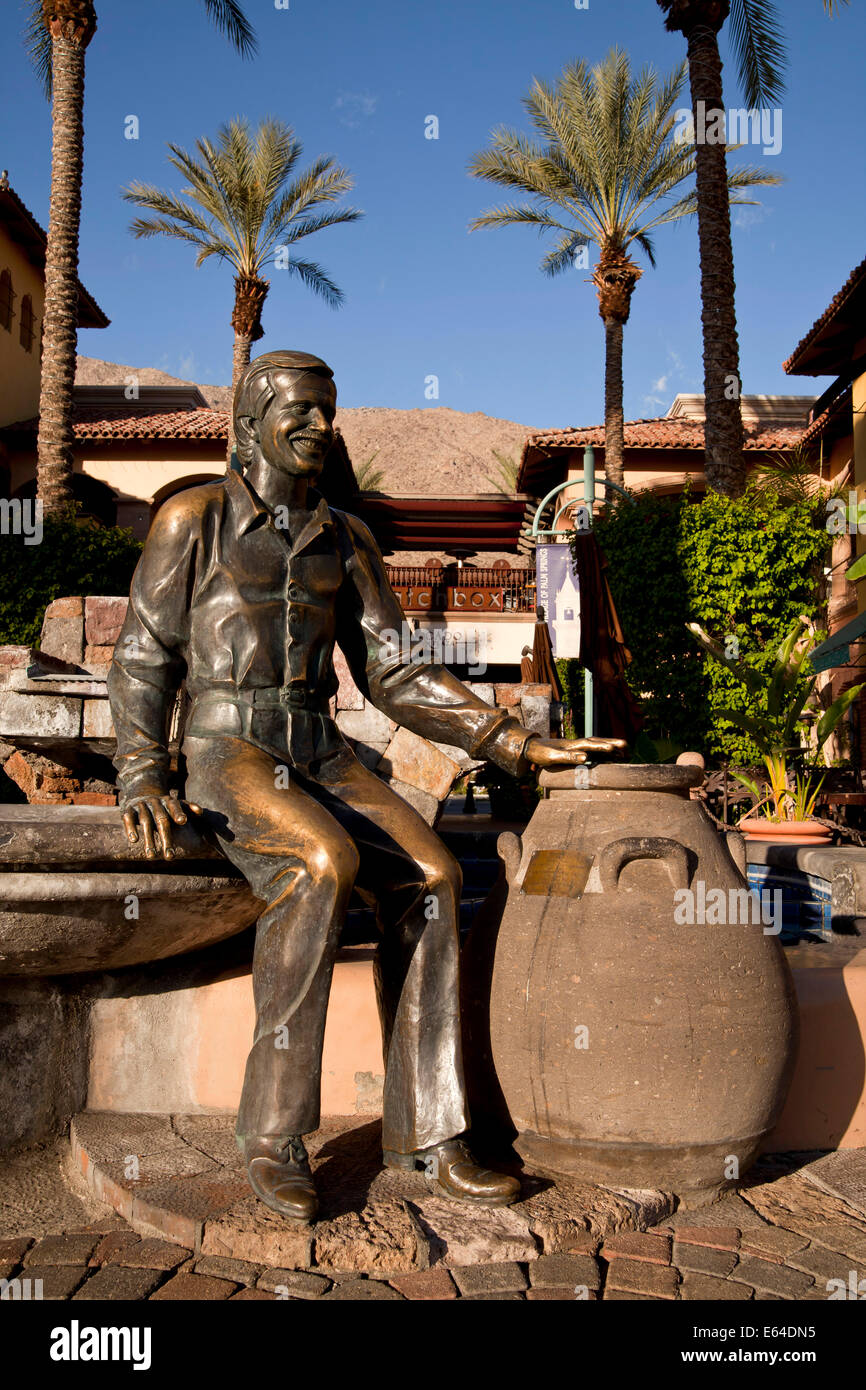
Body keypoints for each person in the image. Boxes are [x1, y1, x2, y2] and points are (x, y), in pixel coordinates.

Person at [108, 350, 624, 1223]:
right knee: (319, 861)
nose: (318, 426)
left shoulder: (346, 540)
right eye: (299, 411)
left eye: (327, 411)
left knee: (434, 878)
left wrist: (515, 744)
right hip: (226, 744)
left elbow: (397, 672)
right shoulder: (192, 519)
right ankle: (273, 1136)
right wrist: (139, 773)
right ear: (249, 425)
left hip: (319, 745)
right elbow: (142, 656)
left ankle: (430, 1138)